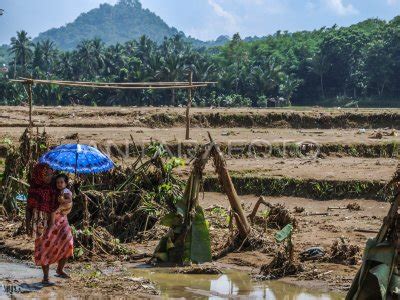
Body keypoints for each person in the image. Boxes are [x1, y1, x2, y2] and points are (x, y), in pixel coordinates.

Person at [26, 164, 74, 284]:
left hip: (60, 219)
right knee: (44, 248)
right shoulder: (34, 189)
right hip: (41, 222)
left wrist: (67, 197)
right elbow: (29, 207)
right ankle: (46, 276)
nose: (50, 176)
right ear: (40, 175)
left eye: (51, 173)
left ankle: (60, 269)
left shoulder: (54, 186)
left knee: (67, 243)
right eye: (47, 174)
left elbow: (65, 195)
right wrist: (27, 224)